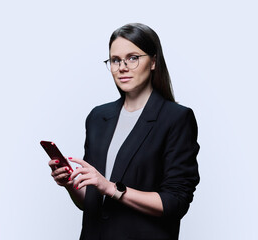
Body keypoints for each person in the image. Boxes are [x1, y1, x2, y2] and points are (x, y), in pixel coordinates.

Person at [49, 23, 200, 240]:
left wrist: (112, 188)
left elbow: (175, 203)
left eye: (133, 57)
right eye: (115, 60)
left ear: (154, 61)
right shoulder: (98, 117)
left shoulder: (176, 118)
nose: (122, 67)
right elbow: (90, 202)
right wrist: (71, 184)